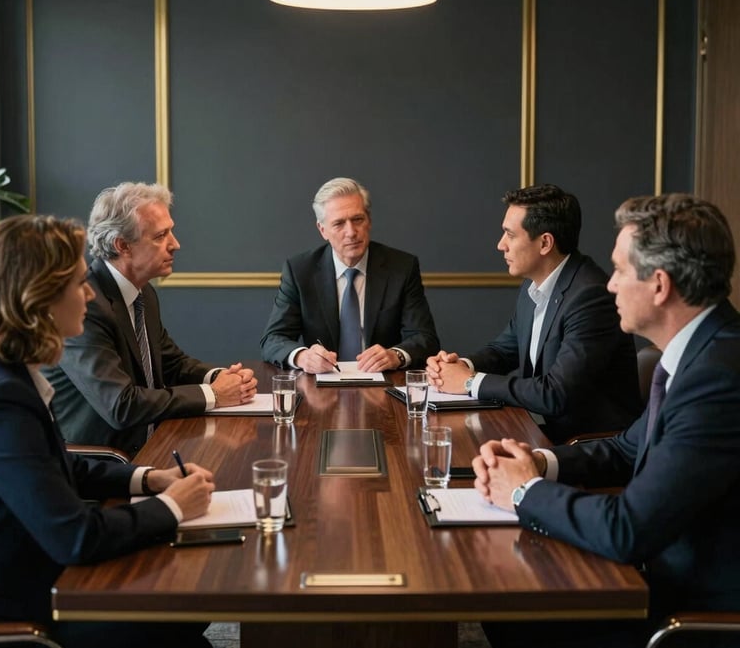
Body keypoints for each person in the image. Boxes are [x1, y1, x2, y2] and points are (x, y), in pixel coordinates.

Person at [474, 193, 740, 647]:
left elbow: (628, 529)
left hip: (686, 609)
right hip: (656, 572)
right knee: (504, 602)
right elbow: (626, 447)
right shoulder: (702, 352)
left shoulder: (718, 377)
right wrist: (538, 463)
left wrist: (522, 490)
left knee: (510, 607)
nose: (609, 285)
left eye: (619, 271)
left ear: (659, 285)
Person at [0, 214, 216, 648]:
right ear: (39, 296)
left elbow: (53, 463)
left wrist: (147, 478)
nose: (89, 294)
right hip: (19, 602)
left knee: (187, 610)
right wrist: (172, 507)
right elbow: (76, 536)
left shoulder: (4, 374)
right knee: (182, 616)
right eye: (79, 283)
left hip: (45, 568)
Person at [43, 182, 257, 457]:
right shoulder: (84, 305)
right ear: (123, 245)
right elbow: (121, 405)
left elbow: (172, 363)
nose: (176, 244)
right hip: (103, 463)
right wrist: (214, 394)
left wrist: (222, 378)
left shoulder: (143, 292)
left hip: (154, 445)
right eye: (160, 236)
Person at [426, 184, 640, 443]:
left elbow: (555, 394)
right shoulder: (535, 282)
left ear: (545, 243)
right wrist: (460, 366)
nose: (500, 245)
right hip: (539, 429)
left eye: (510, 235)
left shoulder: (590, 297)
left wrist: (470, 382)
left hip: (585, 446)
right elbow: (505, 350)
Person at [260, 177, 440, 373]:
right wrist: (303, 357)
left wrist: (395, 355)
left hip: (384, 385)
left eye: (357, 219)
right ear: (323, 230)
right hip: (322, 386)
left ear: (369, 221)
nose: (351, 232)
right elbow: (273, 339)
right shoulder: (300, 271)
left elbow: (425, 338)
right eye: (338, 224)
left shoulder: (401, 267)